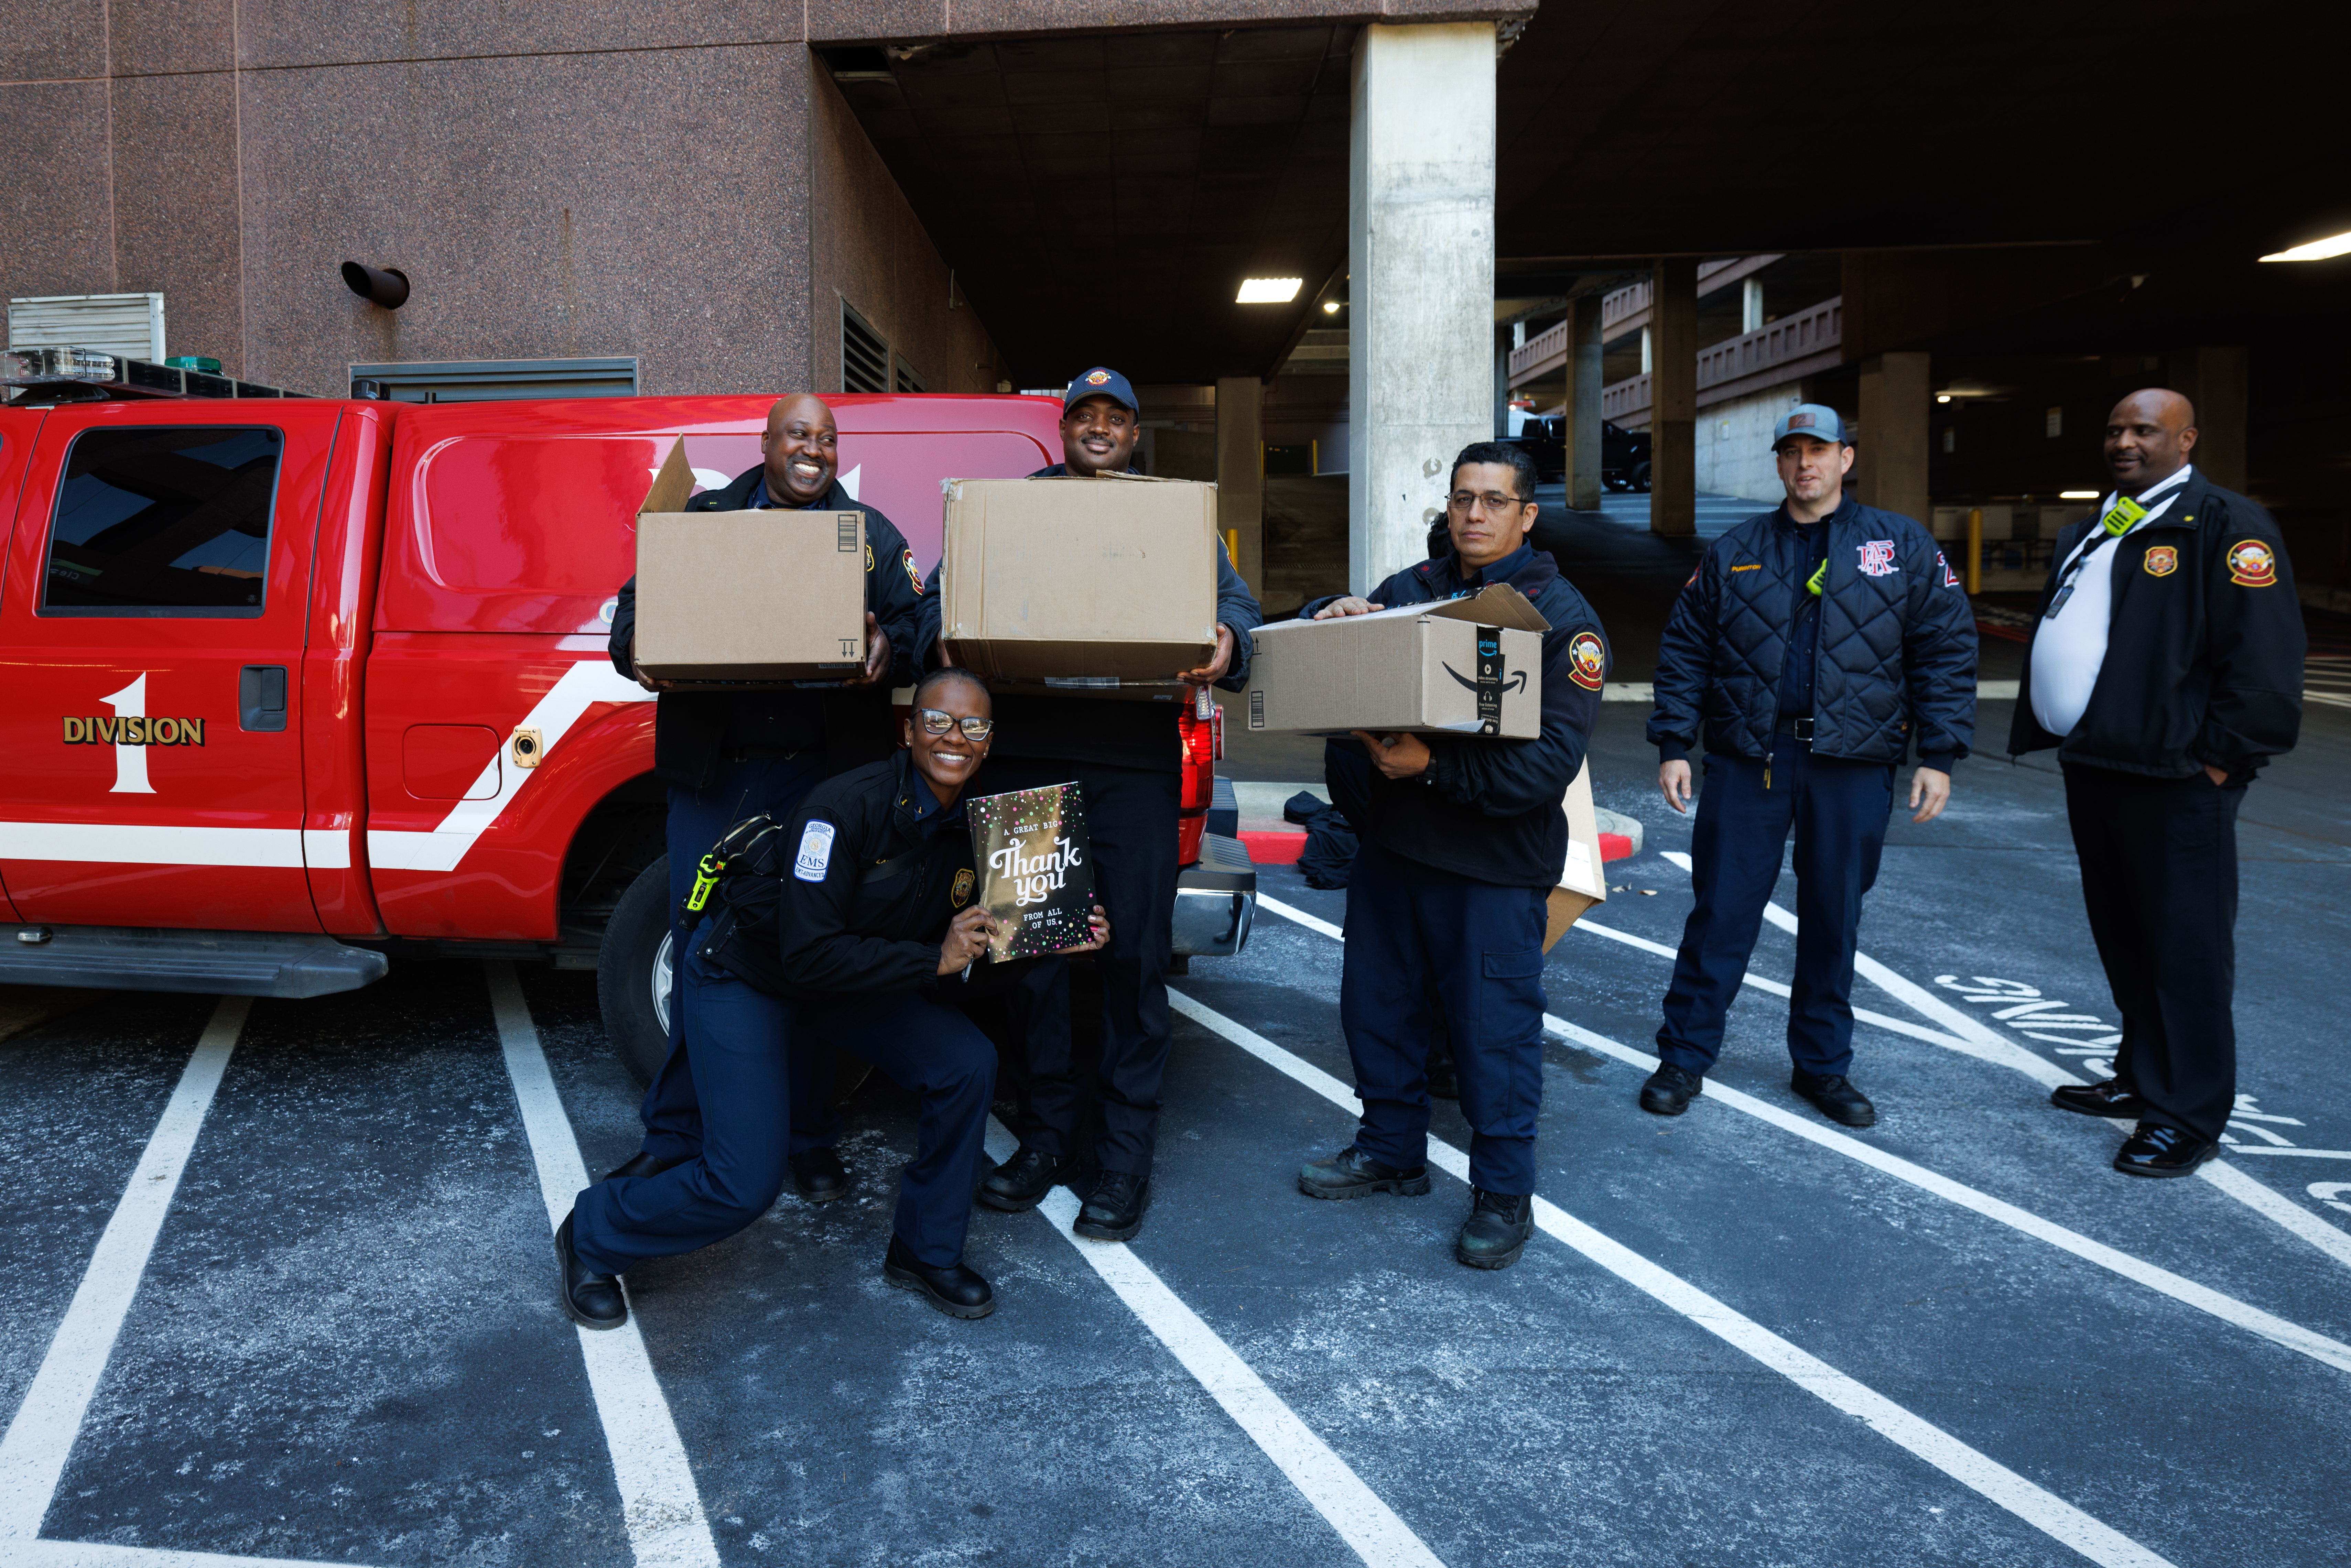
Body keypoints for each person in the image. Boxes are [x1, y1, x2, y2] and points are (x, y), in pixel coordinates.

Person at [557, 669, 1112, 1326]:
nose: (954, 738)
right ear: (908, 731)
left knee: (966, 1064)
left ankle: (924, 1251)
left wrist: (1043, 945)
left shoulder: (993, 830)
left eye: (973, 726)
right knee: (743, 1184)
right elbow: (808, 954)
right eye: (937, 721)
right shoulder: (842, 807)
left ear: (989, 741)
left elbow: (965, 975)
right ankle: (593, 1232)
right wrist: (933, 958)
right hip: (751, 972)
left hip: (849, 980)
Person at [913, 367, 1262, 1243]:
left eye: (1116, 417)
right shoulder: (1010, 510)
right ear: (1063, 428)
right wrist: (940, 636)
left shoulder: (1167, 515)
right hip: (1025, 756)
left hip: (1132, 763)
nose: (1099, 428)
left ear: (1134, 435)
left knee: (1132, 960)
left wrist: (1231, 637)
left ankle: (1123, 1158)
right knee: (1030, 958)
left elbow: (1238, 608)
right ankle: (1045, 1137)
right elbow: (932, 606)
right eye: (1084, 416)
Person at [1294, 440, 1607, 1271]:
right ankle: (1389, 1149)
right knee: (1379, 1012)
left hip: (1492, 868)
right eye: (1463, 498)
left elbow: (1547, 766)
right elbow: (1331, 633)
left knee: (1492, 1036)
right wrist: (1330, 607)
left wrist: (1432, 767)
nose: (1473, 514)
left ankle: (1503, 1194)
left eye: (1494, 501)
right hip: (1395, 853)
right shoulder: (1416, 590)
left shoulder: (1561, 620)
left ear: (1526, 515)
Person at [606, 394, 923, 1207]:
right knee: (699, 950)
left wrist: (890, 647)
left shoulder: (869, 536)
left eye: (827, 438)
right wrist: (639, 647)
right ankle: (676, 1135)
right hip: (717, 781)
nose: (813, 449)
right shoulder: (704, 521)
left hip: (823, 787)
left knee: (810, 954)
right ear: (767, 444)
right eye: (797, 435)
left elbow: (919, 627)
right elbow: (632, 615)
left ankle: (807, 1134)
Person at [1644, 403, 1975, 1128]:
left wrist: (1939, 753)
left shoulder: (1900, 545)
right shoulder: (1736, 549)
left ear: (1845, 458)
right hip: (1751, 758)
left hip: (1853, 761)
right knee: (1722, 912)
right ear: (1779, 462)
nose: (1805, 464)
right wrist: (1673, 742)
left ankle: (1822, 1066)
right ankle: (1684, 1056)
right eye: (1792, 451)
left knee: (1833, 916)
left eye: (1819, 450)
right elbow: (1686, 649)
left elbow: (1945, 649)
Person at [2012, 389, 2303, 1177]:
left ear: (2186, 439)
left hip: (2178, 778)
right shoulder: (2107, 523)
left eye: (2144, 430)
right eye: (2114, 430)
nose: (2124, 442)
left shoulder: (2225, 525)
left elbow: (2264, 658)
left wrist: (2219, 760)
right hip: (2101, 765)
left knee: (2184, 949)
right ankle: (2142, 1077)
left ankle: (2187, 1115)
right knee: (2127, 938)